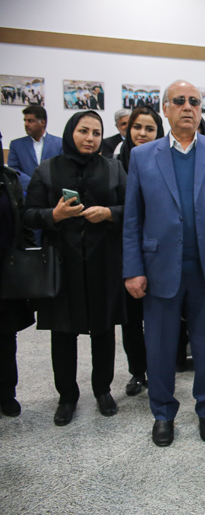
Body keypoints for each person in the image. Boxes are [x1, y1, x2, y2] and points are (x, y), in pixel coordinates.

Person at [123, 80, 205, 447]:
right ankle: (163, 413)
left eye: (195, 101)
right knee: (160, 346)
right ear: (165, 109)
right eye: (180, 101)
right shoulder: (142, 156)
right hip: (159, 267)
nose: (188, 107)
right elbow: (132, 220)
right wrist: (133, 268)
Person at [22, 110, 127, 426]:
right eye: (83, 131)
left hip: (103, 261)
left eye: (96, 133)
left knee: (103, 329)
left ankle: (103, 389)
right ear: (70, 132)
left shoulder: (113, 168)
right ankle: (67, 396)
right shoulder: (48, 169)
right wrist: (54, 215)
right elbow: (28, 214)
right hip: (62, 263)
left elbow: (131, 208)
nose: (90, 138)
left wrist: (109, 213)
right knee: (63, 331)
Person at [116, 106, 165, 396]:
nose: (142, 134)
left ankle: (163, 367)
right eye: (137, 127)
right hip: (128, 251)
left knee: (162, 318)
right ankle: (138, 370)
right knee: (132, 319)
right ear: (127, 129)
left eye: (149, 129)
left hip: (160, 251)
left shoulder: (165, 161)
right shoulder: (115, 164)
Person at [0, 165, 36, 417]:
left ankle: (6, 393)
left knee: (5, 333)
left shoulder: (8, 178)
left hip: (6, 268)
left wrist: (30, 261)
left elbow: (22, 222)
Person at [7, 106, 63, 191]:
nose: (26, 124)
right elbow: (13, 170)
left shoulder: (59, 144)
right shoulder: (16, 145)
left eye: (30, 121)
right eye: (25, 120)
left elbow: (63, 169)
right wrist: (33, 185)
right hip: (26, 193)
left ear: (42, 123)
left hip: (52, 193)